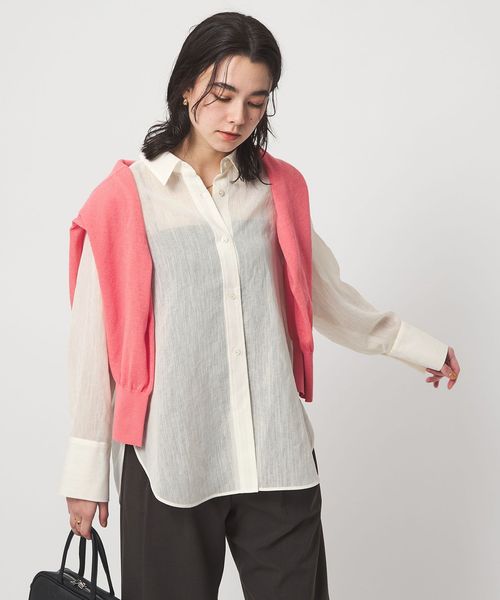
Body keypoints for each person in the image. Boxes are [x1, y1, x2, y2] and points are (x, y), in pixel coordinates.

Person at [57, 11, 460, 600]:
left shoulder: (277, 191)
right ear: (187, 86)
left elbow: (325, 294)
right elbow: (92, 344)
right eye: (222, 96)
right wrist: (86, 470)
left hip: (276, 456)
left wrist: (417, 346)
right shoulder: (126, 200)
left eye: (255, 101)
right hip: (170, 457)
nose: (237, 117)